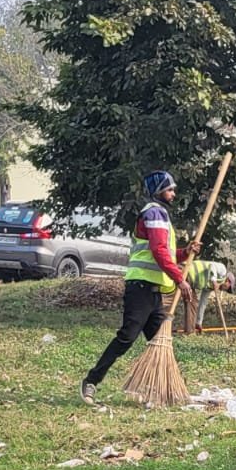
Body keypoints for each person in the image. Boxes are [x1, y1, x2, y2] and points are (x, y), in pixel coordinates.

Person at [81, 171, 192, 402]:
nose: (173, 194)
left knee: (160, 340)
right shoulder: (154, 213)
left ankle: (166, 391)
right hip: (140, 288)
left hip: (154, 291)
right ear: (159, 191)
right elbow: (158, 251)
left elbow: (167, 253)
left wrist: (186, 253)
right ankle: (91, 380)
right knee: (127, 337)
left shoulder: (161, 215)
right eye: (170, 189)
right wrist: (179, 279)